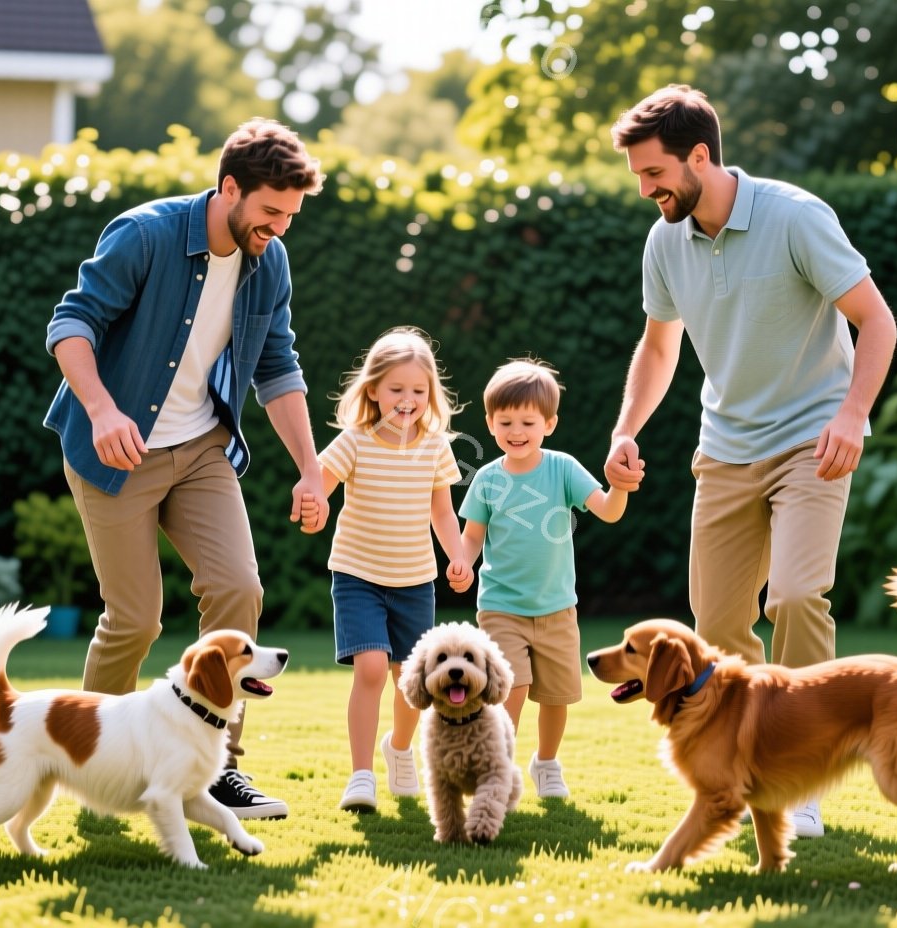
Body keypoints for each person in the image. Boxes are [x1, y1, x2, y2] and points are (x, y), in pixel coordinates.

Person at [602, 85, 897, 837]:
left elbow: (876, 321)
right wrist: (625, 429)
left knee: (795, 596)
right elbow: (658, 346)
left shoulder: (795, 217)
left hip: (811, 442)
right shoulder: (665, 240)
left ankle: (805, 777)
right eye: (639, 176)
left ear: (700, 156)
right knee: (717, 625)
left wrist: (851, 415)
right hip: (725, 449)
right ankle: (751, 766)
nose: (646, 189)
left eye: (654, 173)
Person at [44, 117, 327, 821]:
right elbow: (71, 324)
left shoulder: (270, 261)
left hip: (201, 448)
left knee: (238, 588)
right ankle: (96, 764)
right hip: (116, 449)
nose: (279, 229)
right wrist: (103, 411)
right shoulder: (145, 235)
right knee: (135, 620)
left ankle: (218, 767)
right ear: (229, 187)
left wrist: (311, 470)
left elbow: (278, 365)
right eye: (270, 212)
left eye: (290, 217)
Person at [453, 359, 628, 799]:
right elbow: (472, 536)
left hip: (556, 608)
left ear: (549, 424)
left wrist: (621, 486)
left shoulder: (562, 468)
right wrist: (463, 561)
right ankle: (498, 768)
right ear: (490, 423)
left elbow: (609, 511)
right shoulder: (487, 479)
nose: (516, 431)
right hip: (501, 608)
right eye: (505, 422)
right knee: (511, 688)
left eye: (528, 422)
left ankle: (546, 763)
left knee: (556, 697)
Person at [318, 327, 470, 813]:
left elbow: (442, 513)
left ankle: (399, 748)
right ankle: (361, 776)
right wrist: (311, 503)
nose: (408, 400)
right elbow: (317, 485)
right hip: (357, 575)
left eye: (418, 391)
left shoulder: (435, 446)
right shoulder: (354, 442)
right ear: (373, 391)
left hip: (414, 581)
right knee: (370, 669)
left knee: (411, 680)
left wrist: (458, 555)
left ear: (431, 394)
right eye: (396, 389)